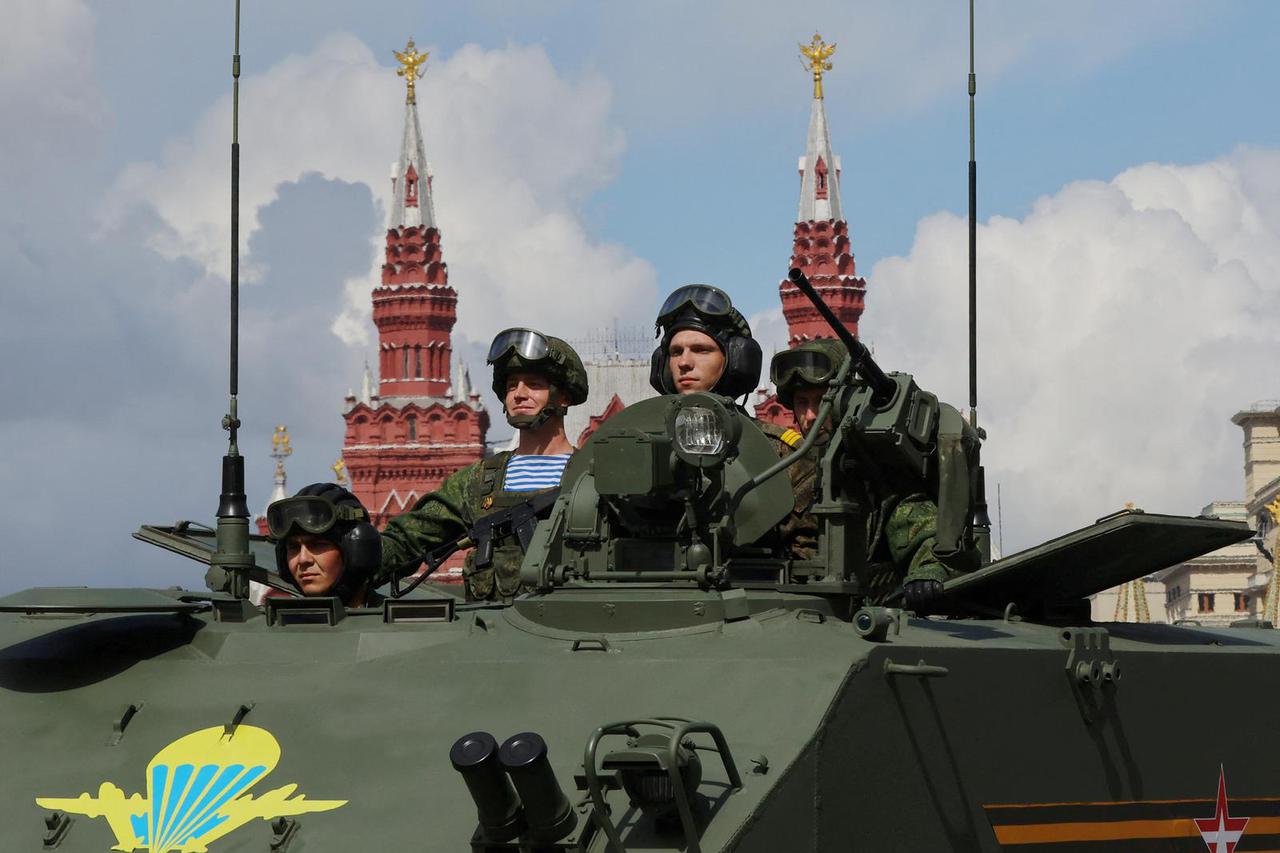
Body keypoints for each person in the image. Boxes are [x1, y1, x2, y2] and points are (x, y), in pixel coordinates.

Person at [378, 328, 588, 601]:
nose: (519, 394)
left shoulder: (594, 473)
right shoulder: (478, 482)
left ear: (564, 396)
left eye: (534, 384)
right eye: (512, 385)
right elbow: (410, 538)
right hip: (490, 635)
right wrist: (346, 557)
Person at [769, 339, 976, 610]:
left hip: (856, 617)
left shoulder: (872, 475)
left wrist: (928, 572)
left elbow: (917, 526)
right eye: (801, 402)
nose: (810, 416)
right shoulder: (781, 469)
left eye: (821, 401)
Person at [265, 483, 383, 607]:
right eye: (294, 547)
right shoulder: (276, 623)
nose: (303, 559)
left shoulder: (398, 621)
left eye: (317, 545)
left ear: (357, 550)